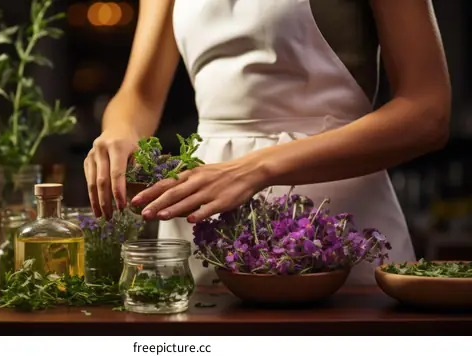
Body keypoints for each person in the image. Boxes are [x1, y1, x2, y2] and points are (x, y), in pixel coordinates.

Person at [84, 0, 451, 286]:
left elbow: (428, 112)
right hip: (202, 216)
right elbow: (140, 96)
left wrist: (254, 168)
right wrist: (119, 131)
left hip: (337, 221)